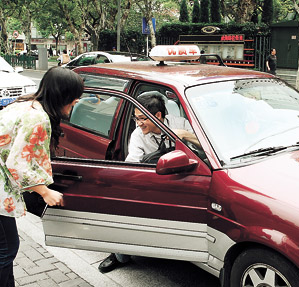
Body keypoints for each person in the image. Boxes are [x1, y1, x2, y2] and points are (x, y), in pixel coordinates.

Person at [0, 67, 83, 286]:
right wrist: (44, 192)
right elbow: (17, 163)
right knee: (7, 249)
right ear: (63, 96)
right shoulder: (38, 118)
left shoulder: (26, 103)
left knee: (5, 249)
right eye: (74, 99)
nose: (75, 103)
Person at [98, 91, 198, 273]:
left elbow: (203, 144)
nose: (138, 123)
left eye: (142, 118)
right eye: (135, 118)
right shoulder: (138, 135)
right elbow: (132, 165)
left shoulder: (180, 124)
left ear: (158, 115)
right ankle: (119, 254)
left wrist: (182, 135)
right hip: (154, 183)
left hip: (183, 181)